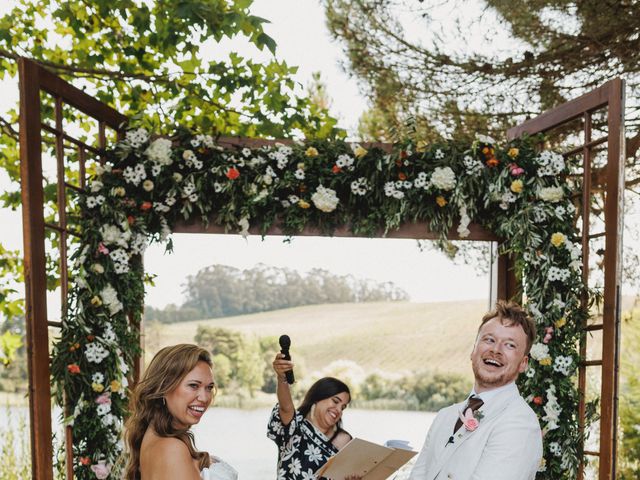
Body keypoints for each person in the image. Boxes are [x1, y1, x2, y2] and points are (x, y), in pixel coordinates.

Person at [409, 300, 543, 480]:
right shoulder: (444, 417)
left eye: (510, 345)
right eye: (489, 339)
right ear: (473, 351)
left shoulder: (520, 423)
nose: (496, 350)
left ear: (523, 363)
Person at [123, 344, 238, 480]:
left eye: (209, 387)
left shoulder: (154, 438)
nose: (205, 397)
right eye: (193, 385)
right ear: (165, 387)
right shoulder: (172, 449)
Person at [268, 352, 359, 480]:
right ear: (318, 397)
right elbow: (286, 407)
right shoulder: (295, 426)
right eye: (335, 401)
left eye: (343, 407)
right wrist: (282, 378)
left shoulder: (344, 440)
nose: (339, 410)